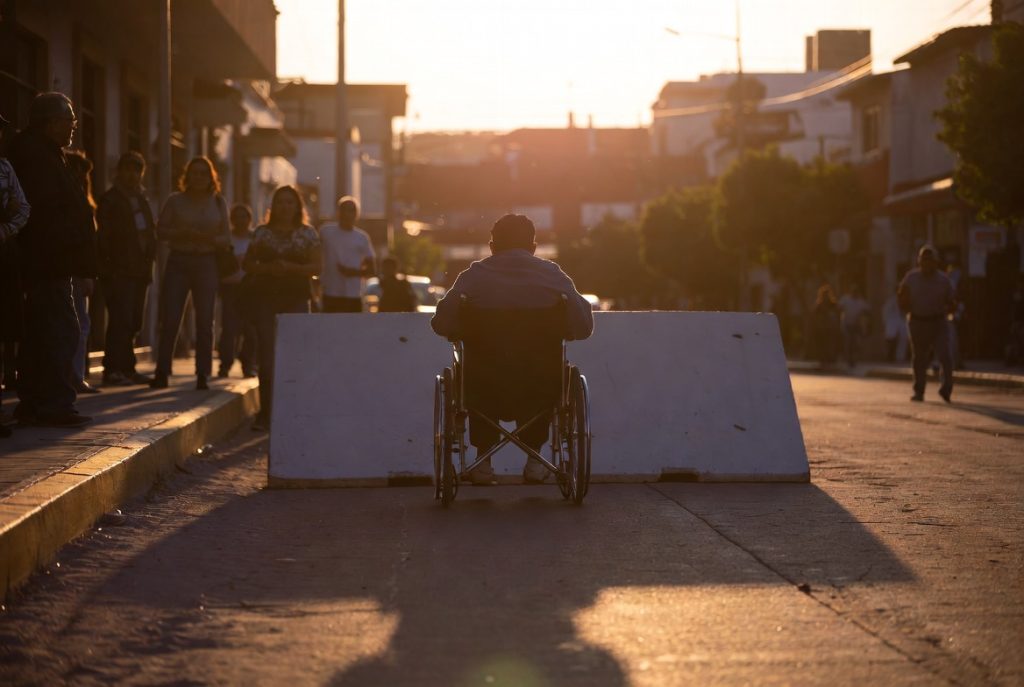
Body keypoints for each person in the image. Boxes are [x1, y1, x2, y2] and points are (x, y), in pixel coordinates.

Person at [431, 214, 594, 485]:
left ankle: (482, 462)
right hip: (540, 381)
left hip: (483, 382)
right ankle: (535, 461)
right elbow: (584, 327)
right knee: (543, 386)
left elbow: (441, 324)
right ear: (533, 247)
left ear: (492, 247)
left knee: (477, 380)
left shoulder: (473, 276)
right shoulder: (552, 275)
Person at [7, 93, 94, 427]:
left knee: (42, 333)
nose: (72, 127)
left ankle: (33, 401)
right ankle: (55, 403)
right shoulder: (37, 157)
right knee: (62, 331)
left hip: (47, 261)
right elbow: (45, 214)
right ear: (50, 122)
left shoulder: (45, 153)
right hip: (47, 262)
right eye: (67, 121)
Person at [242, 186, 320, 431]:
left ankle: (294, 411)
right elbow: (247, 264)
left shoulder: (308, 234)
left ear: (297, 207)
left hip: (296, 298)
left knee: (295, 357)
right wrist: (268, 269)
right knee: (267, 356)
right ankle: (265, 413)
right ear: (273, 206)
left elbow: (317, 267)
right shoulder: (261, 233)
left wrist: (289, 267)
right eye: (281, 202)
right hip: (265, 299)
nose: (285, 207)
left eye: (290, 202)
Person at [151, 156, 230, 390]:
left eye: (203, 174)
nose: (198, 178)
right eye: (194, 173)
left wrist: (207, 239)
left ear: (211, 178)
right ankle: (162, 370)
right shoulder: (175, 201)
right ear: (187, 176)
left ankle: (203, 373)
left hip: (207, 262)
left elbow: (226, 237)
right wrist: (181, 233)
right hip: (179, 261)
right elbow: (161, 230)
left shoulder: (218, 203)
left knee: (205, 320)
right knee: (171, 318)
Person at [96, 151, 156, 386]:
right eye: (128, 170)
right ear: (119, 171)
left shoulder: (141, 199)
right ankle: (112, 369)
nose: (132, 175)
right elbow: (104, 237)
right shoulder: (111, 200)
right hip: (119, 270)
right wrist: (108, 268)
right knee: (120, 320)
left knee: (133, 321)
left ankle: (128, 368)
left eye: (137, 170)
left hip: (140, 270)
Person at [0, 111, 30, 437]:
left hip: (3, 253)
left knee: (5, 328)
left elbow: (23, 206)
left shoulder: (5, 167)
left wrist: (7, 229)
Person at [898, 245, 956, 402]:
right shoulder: (911, 278)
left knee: (945, 355)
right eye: (924, 260)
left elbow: (951, 301)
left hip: (938, 322)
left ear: (936, 262)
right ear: (919, 262)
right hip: (918, 321)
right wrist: (906, 306)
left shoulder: (943, 280)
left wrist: (950, 308)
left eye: (930, 261)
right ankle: (919, 390)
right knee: (919, 357)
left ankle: (946, 388)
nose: (927, 264)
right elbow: (902, 296)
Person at [64, 150, 101, 394]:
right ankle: (74, 376)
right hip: (73, 270)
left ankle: (73, 376)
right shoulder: (75, 201)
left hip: (75, 269)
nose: (85, 179)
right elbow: (84, 241)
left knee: (77, 323)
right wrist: (87, 273)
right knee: (78, 324)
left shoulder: (79, 200)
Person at [217, 203, 257, 378]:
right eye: (237, 217)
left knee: (250, 328)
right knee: (229, 328)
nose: (241, 221)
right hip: (230, 287)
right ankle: (225, 363)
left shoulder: (255, 239)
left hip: (250, 288)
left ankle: (248, 363)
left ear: (249, 219)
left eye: (244, 217)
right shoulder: (226, 239)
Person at [319, 196, 375, 313]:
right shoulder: (325, 232)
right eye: (344, 209)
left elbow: (372, 269)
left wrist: (352, 272)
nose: (347, 214)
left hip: (353, 295)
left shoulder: (362, 237)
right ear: (338, 212)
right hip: (330, 293)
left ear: (357, 214)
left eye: (351, 210)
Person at [837, 284, 869, 368]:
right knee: (848, 342)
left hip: (856, 325)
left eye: (856, 291)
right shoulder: (845, 299)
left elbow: (867, 311)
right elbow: (839, 308)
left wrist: (863, 319)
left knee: (856, 343)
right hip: (846, 324)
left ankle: (854, 359)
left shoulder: (861, 302)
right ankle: (848, 359)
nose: (855, 293)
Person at [810, 284, 841, 367]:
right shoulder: (819, 306)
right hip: (821, 328)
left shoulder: (833, 304)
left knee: (830, 344)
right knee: (822, 345)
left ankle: (830, 359)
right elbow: (814, 317)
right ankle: (822, 360)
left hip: (831, 328)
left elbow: (838, 315)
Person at [882, 292, 908, 362]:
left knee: (903, 338)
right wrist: (885, 321)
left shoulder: (907, 300)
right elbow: (885, 312)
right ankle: (888, 356)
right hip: (892, 320)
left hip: (903, 320)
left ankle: (900, 357)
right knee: (890, 339)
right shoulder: (891, 301)